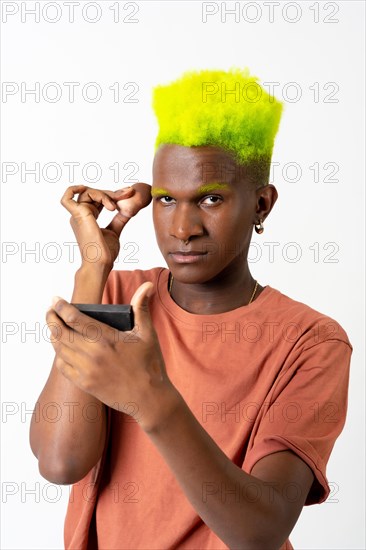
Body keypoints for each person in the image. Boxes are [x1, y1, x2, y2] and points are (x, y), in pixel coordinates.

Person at [30, 68, 352, 549]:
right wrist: (92, 270)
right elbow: (60, 464)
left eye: (211, 199)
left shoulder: (310, 341)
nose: (182, 227)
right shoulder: (116, 297)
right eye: (165, 200)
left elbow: (261, 531)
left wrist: (151, 399)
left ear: (262, 205)